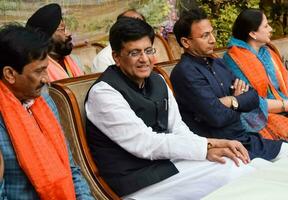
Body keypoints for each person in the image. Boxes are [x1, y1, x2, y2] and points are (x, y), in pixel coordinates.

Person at [85, 17, 255, 199]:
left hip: (166, 167)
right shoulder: (103, 93)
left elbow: (179, 129)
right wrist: (208, 145)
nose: (144, 59)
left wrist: (205, 152)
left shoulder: (158, 81)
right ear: (117, 57)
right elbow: (146, 144)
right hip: (135, 182)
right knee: (233, 174)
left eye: (148, 50)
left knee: (240, 165)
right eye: (134, 53)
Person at [169, 8, 288, 161]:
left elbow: (253, 96)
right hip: (223, 147)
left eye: (212, 33)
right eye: (205, 36)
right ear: (186, 42)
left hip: (245, 139)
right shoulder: (185, 72)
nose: (213, 40)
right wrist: (239, 103)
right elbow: (217, 117)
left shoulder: (217, 63)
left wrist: (231, 101)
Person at [0, 24, 94, 199]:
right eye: (39, 71)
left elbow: (71, 169)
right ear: (10, 74)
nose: (46, 79)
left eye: (46, 68)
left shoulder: (44, 101)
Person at [223, 8, 288, 145]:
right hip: (264, 118)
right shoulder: (234, 59)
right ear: (253, 33)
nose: (270, 29)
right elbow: (252, 101)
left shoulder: (268, 52)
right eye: (265, 26)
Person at [26, 3, 84, 81]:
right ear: (47, 37)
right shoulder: (40, 70)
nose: (69, 33)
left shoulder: (75, 60)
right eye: (62, 29)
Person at [91, 9, 146, 73]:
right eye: (130, 24)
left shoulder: (149, 51)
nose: (144, 59)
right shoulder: (103, 59)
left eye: (140, 25)